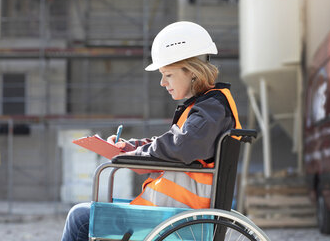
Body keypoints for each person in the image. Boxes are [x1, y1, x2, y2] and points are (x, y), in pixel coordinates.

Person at [61, 21, 241, 241]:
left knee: (80, 217)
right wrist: (133, 147)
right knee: (84, 214)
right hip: (177, 212)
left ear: (192, 72)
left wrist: (135, 155)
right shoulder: (208, 107)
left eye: (168, 74)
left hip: (179, 216)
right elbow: (177, 143)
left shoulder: (210, 107)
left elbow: (182, 146)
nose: (162, 82)